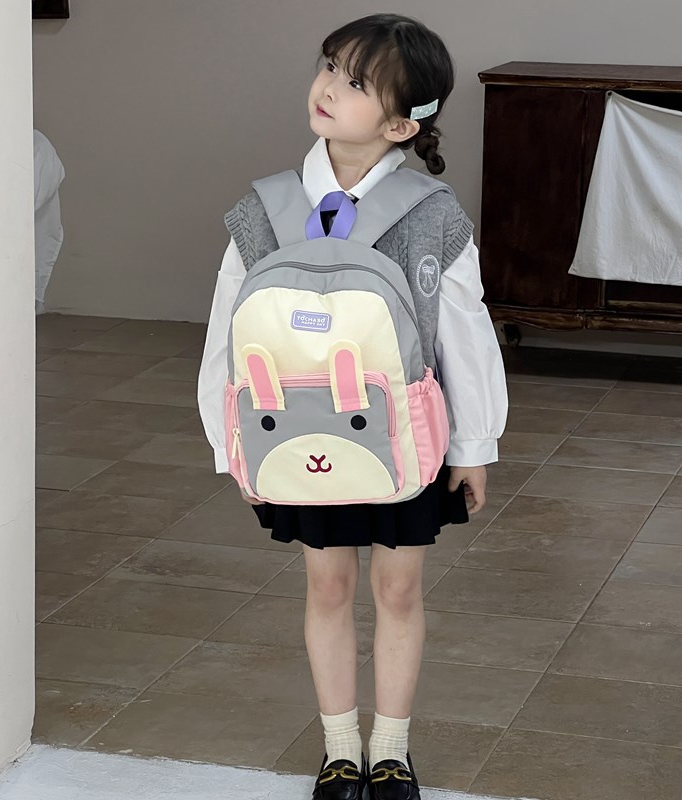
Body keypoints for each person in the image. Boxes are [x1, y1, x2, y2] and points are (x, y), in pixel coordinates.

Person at [198, 13, 507, 800]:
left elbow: (464, 331)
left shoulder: (433, 214)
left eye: (357, 81)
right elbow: (227, 333)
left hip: (406, 441)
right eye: (330, 66)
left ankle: (391, 751)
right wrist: (231, 445)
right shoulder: (264, 210)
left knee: (399, 591)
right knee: (327, 587)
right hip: (298, 437)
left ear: (402, 124)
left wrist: (474, 444)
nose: (329, 87)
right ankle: (341, 752)